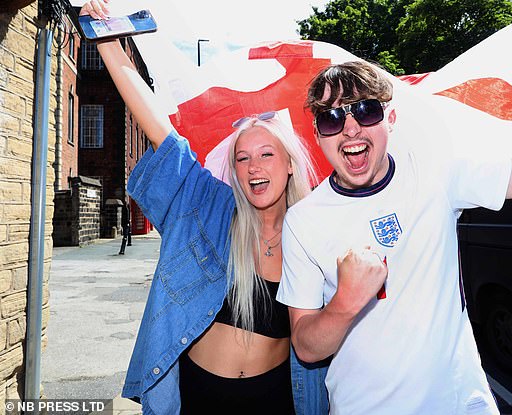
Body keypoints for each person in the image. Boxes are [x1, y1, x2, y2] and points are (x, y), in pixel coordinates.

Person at [277, 6, 512, 414]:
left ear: (390, 118)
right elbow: (305, 347)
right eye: (332, 117)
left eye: (366, 110)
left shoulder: (436, 173)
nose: (351, 128)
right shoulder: (304, 220)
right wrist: (345, 303)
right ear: (318, 134)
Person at [79, 1, 328, 414]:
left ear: (289, 163)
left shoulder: (316, 233)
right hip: (196, 397)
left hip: (280, 400)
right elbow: (160, 130)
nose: (254, 167)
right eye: (243, 158)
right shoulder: (210, 207)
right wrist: (107, 41)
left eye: (266, 154)